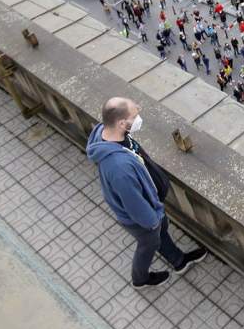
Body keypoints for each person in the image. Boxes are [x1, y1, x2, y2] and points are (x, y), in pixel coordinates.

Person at [87, 97, 206, 288]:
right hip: (145, 218)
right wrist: (154, 221)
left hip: (152, 205)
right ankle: (140, 278)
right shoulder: (119, 169)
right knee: (148, 245)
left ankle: (179, 261)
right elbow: (135, 206)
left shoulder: (109, 132)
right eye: (135, 115)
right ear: (121, 123)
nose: (139, 113)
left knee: (161, 233)